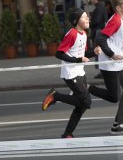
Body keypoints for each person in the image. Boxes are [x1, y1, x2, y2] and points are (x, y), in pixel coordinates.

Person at [41, 9, 105, 138]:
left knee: (81, 106)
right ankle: (55, 96)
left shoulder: (83, 34)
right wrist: (77, 60)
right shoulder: (72, 34)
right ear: (76, 21)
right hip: (71, 74)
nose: (88, 19)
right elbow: (59, 54)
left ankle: (68, 133)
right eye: (84, 17)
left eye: (88, 17)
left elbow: (82, 54)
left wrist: (94, 52)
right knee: (86, 102)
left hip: (80, 71)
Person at [93, 0, 123, 134]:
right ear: (118, 8)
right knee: (114, 97)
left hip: (120, 61)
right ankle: (87, 88)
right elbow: (100, 39)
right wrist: (112, 54)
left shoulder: (121, 19)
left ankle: (117, 125)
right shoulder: (116, 20)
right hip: (110, 63)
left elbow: (112, 39)